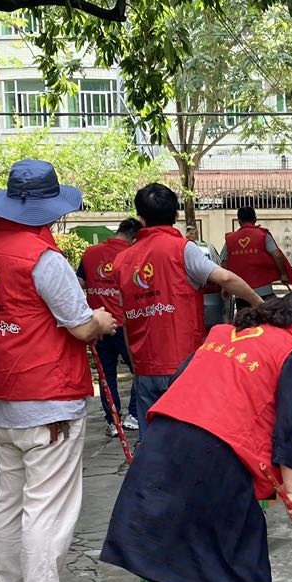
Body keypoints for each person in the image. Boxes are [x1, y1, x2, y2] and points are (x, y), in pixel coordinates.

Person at [100, 292, 292, 582]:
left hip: (165, 439)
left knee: (198, 540)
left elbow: (182, 382)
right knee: (244, 544)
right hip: (217, 448)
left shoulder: (222, 333)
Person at [0, 160, 119, 582]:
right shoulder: (43, 260)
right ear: (49, 212)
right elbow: (79, 327)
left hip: (3, 398)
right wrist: (102, 321)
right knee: (45, 507)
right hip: (49, 398)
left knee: (8, 502)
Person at [110, 183, 263, 432]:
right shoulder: (182, 250)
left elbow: (127, 319)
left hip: (144, 366)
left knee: (153, 443)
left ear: (141, 218)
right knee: (186, 438)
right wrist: (261, 305)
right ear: (176, 215)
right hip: (183, 364)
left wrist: (136, 366)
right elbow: (226, 278)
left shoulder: (122, 261)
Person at [79, 217, 142, 437]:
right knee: (141, 370)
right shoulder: (133, 255)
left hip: (98, 323)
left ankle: (113, 421)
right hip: (126, 324)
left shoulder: (90, 253)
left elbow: (81, 284)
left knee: (107, 375)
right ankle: (134, 414)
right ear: (135, 237)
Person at [221, 206, 292, 300]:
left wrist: (225, 285)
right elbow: (277, 255)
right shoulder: (262, 235)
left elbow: (224, 262)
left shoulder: (230, 239)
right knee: (266, 313)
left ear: (239, 221)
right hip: (263, 289)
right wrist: (284, 275)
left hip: (241, 292)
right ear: (255, 219)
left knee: (245, 314)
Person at [185, 224, 227, 331]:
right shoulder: (187, 247)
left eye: (193, 233)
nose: (192, 235)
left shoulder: (190, 248)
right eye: (190, 233)